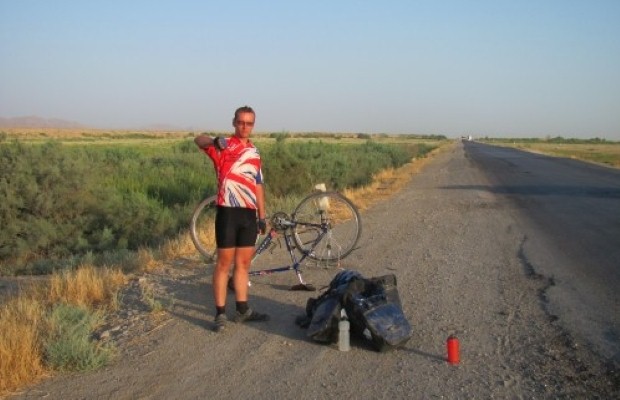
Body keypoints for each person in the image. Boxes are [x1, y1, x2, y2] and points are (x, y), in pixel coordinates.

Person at [194, 105, 269, 332]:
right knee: (223, 264)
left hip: (248, 213)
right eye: (241, 122)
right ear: (234, 122)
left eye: (249, 123)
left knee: (243, 264)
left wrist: (262, 216)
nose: (244, 127)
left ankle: (243, 309)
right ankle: (220, 314)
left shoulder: (255, 153)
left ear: (253, 125)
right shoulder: (223, 146)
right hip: (228, 212)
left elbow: (258, 185)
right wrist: (214, 141)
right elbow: (198, 140)